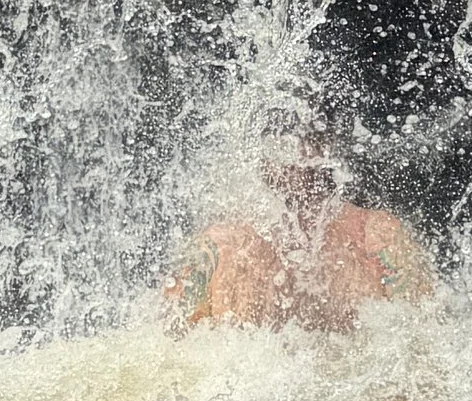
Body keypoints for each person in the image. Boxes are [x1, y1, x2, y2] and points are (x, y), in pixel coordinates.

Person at [161, 136, 437, 332]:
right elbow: (427, 349)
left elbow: (166, 351)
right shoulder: (377, 236)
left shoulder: (222, 245)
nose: (294, 162)